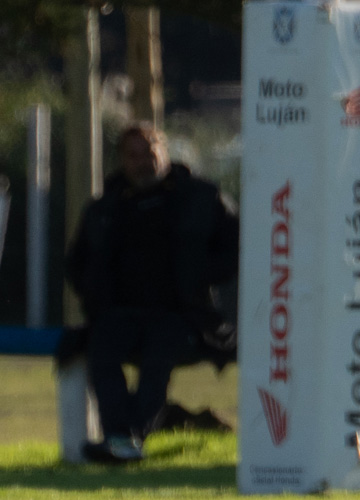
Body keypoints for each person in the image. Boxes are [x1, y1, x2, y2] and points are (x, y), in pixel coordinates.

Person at [67, 123, 239, 464]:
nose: (143, 162)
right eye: (133, 156)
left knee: (160, 348)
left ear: (164, 153)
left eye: (150, 153)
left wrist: (201, 275)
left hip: (187, 318)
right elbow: (77, 264)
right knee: (101, 344)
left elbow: (235, 250)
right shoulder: (105, 209)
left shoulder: (200, 199)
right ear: (121, 161)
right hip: (121, 315)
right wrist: (96, 300)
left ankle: (130, 437)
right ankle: (120, 437)